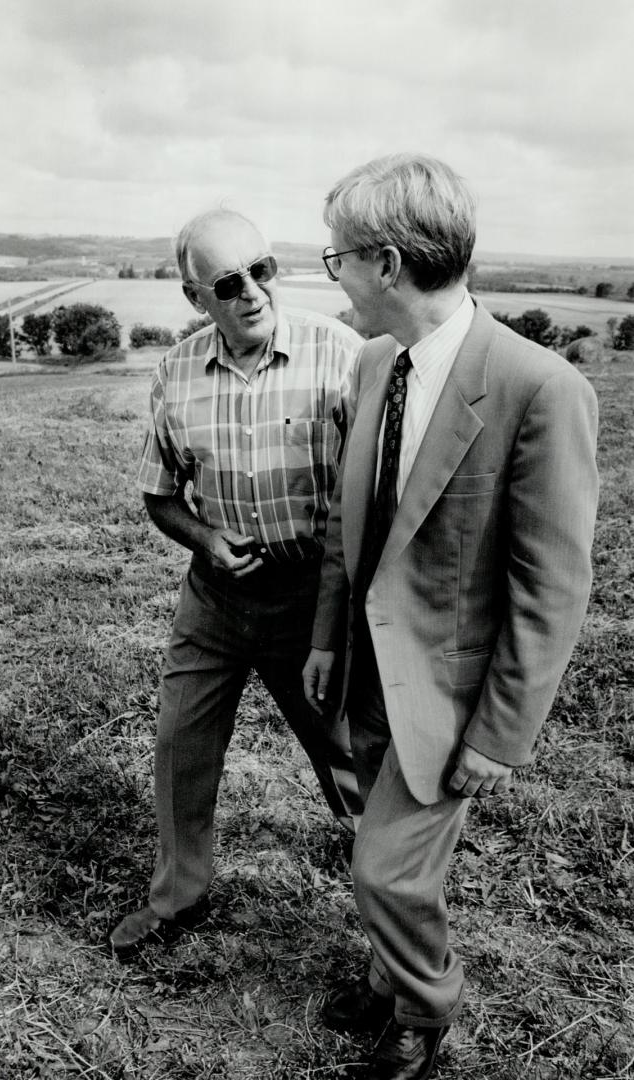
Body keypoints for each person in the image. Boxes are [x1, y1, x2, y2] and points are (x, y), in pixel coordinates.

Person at [302, 154, 598, 1080]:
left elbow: (551, 586)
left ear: (386, 264)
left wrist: (500, 737)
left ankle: (426, 1014)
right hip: (365, 677)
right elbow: (350, 528)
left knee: (385, 870)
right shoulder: (374, 363)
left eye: (336, 257)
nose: (333, 274)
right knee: (391, 857)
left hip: (453, 700)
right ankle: (402, 983)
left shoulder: (540, 388)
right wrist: (322, 637)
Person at [110, 208, 364, 955]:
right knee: (179, 745)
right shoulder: (175, 373)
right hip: (216, 596)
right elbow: (160, 497)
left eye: (263, 270)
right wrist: (208, 540)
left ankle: (386, 869)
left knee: (343, 745)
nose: (253, 292)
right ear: (196, 298)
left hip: (313, 595)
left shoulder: (340, 354)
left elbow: (378, 491)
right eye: (228, 282)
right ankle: (178, 898)